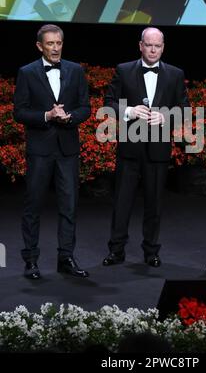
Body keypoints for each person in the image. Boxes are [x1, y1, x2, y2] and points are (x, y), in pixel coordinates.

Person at [102, 27, 189, 267]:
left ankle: (151, 251)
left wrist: (166, 117)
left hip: (158, 150)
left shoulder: (175, 74)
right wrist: (128, 111)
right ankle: (116, 250)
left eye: (157, 46)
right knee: (122, 202)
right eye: (148, 45)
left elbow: (185, 109)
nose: (153, 50)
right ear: (140, 45)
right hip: (129, 149)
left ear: (163, 47)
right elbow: (107, 104)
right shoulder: (124, 70)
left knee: (154, 204)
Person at [13, 24, 91, 279]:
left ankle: (66, 258)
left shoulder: (76, 70)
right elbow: (19, 111)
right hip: (40, 149)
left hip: (67, 149)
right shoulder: (27, 73)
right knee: (33, 205)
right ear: (40, 46)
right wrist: (47, 115)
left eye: (58, 43)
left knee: (69, 206)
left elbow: (85, 107)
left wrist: (69, 117)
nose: (55, 48)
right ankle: (31, 261)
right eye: (50, 44)